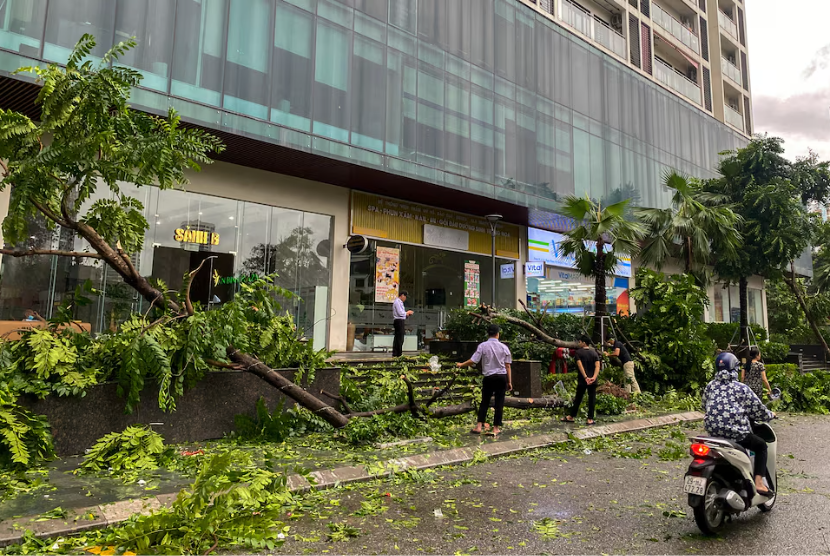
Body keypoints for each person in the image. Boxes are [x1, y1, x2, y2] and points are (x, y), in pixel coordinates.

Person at [703, 351, 775, 495]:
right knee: (761, 446)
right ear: (734, 368)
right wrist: (770, 415)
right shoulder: (741, 388)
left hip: (714, 434)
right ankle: (759, 483)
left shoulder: (710, 386)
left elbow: (704, 404)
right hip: (736, 434)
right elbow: (758, 410)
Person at [457, 324, 512, 437]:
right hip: (501, 376)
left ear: (488, 334)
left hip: (489, 377)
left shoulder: (483, 346)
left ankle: (479, 426)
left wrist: (461, 364)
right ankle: (496, 428)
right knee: (499, 403)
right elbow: (508, 366)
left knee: (484, 402)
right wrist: (509, 381)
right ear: (498, 334)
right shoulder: (504, 347)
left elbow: (473, 360)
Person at [562, 335, 600, 425]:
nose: (579, 343)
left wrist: (586, 377)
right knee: (592, 399)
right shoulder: (594, 352)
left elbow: (580, 365)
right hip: (593, 380)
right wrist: (593, 377)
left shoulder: (578, 353)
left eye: (579, 342)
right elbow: (597, 366)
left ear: (583, 342)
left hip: (583, 380)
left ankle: (572, 416)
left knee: (578, 398)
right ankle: (590, 419)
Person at [391, 291, 413, 357]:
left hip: (401, 320)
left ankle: (397, 353)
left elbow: (402, 314)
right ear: (402, 295)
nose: (405, 298)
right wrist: (407, 313)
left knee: (400, 338)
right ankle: (397, 353)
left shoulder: (400, 302)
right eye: (405, 296)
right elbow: (400, 313)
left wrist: (407, 314)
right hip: (398, 321)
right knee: (399, 338)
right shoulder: (397, 302)